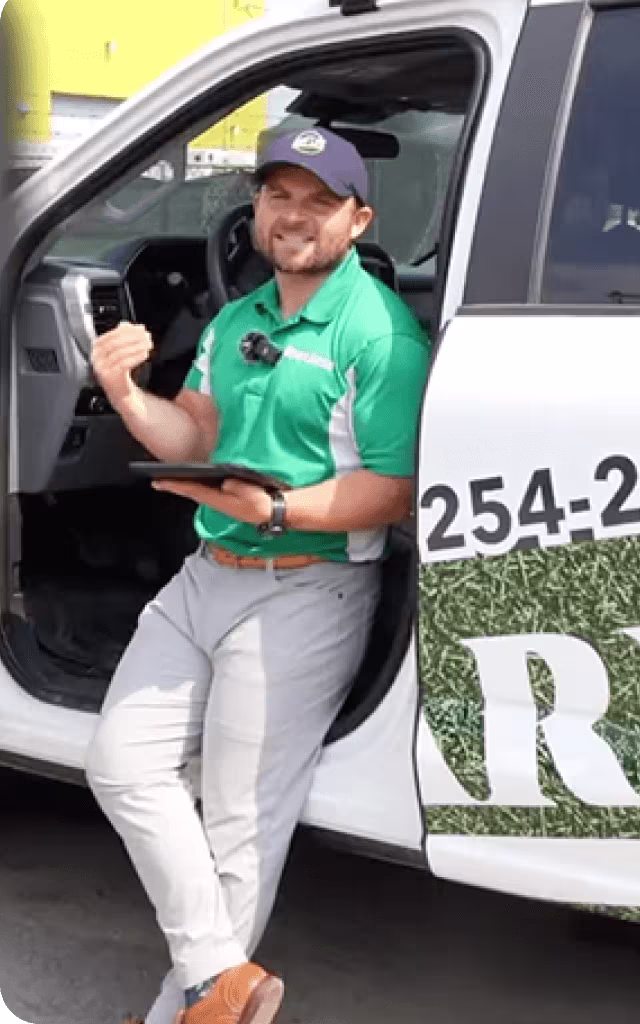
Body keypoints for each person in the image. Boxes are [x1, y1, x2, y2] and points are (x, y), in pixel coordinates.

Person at [85, 127, 430, 1024]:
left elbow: (392, 492)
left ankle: (184, 1012)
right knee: (120, 765)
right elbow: (195, 435)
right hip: (208, 572)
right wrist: (126, 396)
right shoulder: (238, 320)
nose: (295, 216)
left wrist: (276, 511)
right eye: (280, 196)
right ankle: (221, 980)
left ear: (359, 219)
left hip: (309, 588)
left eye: (320, 202)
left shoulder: (378, 334)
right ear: (257, 211)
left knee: (238, 822)